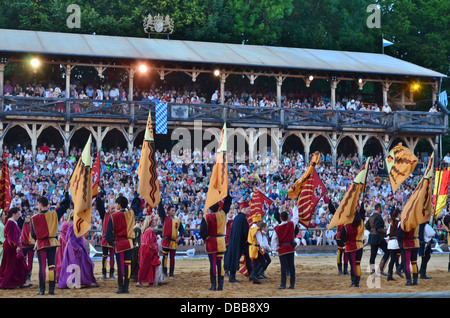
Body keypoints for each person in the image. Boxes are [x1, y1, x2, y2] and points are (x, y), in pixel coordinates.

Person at [31, 194, 71, 295]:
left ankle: (42, 290)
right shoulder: (54, 214)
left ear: (40, 205)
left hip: (41, 244)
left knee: (42, 267)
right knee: (52, 266)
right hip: (52, 242)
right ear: (47, 204)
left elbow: (32, 235)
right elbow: (66, 205)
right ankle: (52, 290)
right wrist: (66, 194)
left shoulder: (34, 218)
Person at [57, 211, 98, 289]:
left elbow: (68, 238)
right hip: (74, 249)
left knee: (79, 265)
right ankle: (79, 282)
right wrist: (77, 248)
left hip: (74, 248)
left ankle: (79, 282)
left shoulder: (75, 225)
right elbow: (71, 239)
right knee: (79, 264)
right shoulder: (73, 226)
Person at [200, 194, 232, 291]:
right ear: (218, 207)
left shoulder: (206, 217)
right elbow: (228, 202)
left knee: (213, 264)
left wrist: (205, 238)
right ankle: (220, 286)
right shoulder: (222, 214)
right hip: (221, 241)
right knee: (220, 263)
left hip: (211, 242)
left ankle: (213, 285)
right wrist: (226, 192)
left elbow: (203, 232)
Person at [105, 196, 136, 294]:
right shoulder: (131, 213)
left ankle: (120, 287)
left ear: (119, 205)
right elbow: (137, 203)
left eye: (116, 204)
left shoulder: (113, 216)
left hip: (119, 244)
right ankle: (126, 288)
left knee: (120, 266)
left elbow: (107, 234)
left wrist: (112, 242)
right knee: (128, 265)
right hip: (129, 243)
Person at [0, 207, 32, 289]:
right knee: (16, 265)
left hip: (12, 246)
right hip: (12, 247)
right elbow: (11, 237)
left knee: (14, 265)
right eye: (18, 214)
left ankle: (18, 282)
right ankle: (8, 283)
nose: (19, 216)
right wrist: (17, 246)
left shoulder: (12, 222)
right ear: (13, 214)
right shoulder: (11, 223)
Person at [223, 200, 252, 283]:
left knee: (240, 258)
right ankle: (234, 277)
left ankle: (251, 274)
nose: (249, 210)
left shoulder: (237, 218)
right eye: (248, 209)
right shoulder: (242, 219)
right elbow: (245, 232)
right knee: (240, 258)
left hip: (237, 242)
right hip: (241, 243)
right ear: (244, 209)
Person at [271, 207, 299, 290]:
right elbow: (296, 217)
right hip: (290, 247)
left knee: (283, 266)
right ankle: (292, 284)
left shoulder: (277, 228)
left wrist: (275, 248)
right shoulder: (291, 224)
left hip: (282, 248)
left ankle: (283, 284)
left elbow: (273, 240)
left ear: (280, 218)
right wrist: (295, 207)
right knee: (291, 266)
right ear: (288, 217)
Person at [340, 204, 366, 287]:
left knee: (353, 265)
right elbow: (362, 213)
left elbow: (342, 236)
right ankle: (357, 282)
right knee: (357, 264)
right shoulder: (361, 222)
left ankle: (354, 282)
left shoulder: (347, 225)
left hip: (350, 246)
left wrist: (345, 242)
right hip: (360, 245)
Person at [158, 202, 184, 278]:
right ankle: (165, 272)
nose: (174, 211)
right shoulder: (164, 218)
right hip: (166, 241)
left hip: (173, 242)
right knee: (165, 257)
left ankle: (171, 273)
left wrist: (179, 237)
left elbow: (182, 230)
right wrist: (160, 201)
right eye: (172, 210)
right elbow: (161, 210)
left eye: (174, 210)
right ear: (168, 211)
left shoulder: (177, 220)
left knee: (172, 258)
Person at [137, 214, 162, 287]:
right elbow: (150, 243)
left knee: (143, 265)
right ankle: (149, 281)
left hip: (143, 249)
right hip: (148, 250)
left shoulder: (144, 230)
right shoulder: (150, 231)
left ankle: (142, 281)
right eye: (153, 220)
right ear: (150, 222)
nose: (154, 222)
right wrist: (155, 249)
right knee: (150, 265)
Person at [365, 203, 389, 276]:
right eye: (381, 208)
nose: (381, 210)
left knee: (373, 255)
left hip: (372, 237)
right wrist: (386, 232)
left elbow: (367, 226)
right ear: (378, 209)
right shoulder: (378, 217)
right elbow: (379, 228)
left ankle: (372, 272)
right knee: (388, 251)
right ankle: (380, 269)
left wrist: (372, 231)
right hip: (378, 238)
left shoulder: (371, 217)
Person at [96, 193, 116, 279]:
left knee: (112, 257)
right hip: (105, 239)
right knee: (104, 257)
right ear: (108, 209)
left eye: (114, 208)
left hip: (112, 239)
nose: (114, 210)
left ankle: (111, 272)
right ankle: (104, 273)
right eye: (112, 208)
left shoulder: (116, 216)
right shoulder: (104, 215)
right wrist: (98, 196)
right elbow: (100, 207)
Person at [329, 201, 349, 275]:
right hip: (340, 236)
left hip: (346, 236)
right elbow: (332, 210)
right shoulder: (338, 215)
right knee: (340, 253)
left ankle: (344, 270)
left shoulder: (347, 215)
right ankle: (341, 270)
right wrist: (330, 200)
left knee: (345, 253)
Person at [386, 208, 404, 281]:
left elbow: (387, 233)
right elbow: (400, 234)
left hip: (391, 242)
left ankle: (389, 275)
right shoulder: (399, 222)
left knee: (392, 259)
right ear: (399, 214)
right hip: (396, 242)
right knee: (402, 256)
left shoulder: (392, 222)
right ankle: (399, 269)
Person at [20, 213, 35, 281]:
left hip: (31, 246)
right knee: (23, 261)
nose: (27, 219)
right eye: (26, 217)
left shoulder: (33, 227)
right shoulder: (22, 224)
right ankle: (23, 274)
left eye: (29, 218)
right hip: (23, 246)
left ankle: (29, 275)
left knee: (30, 261)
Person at [55, 212, 70, 282]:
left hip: (63, 242)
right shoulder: (66, 224)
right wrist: (67, 243)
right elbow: (62, 234)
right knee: (62, 258)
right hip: (63, 243)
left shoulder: (65, 223)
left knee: (60, 258)